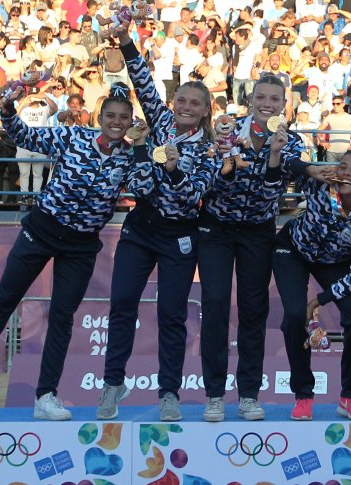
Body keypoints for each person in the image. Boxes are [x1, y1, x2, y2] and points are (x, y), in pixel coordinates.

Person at [0, 83, 138, 419]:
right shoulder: (74, 137)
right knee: (4, 301)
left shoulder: (130, 156)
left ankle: (46, 395)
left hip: (81, 246)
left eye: (124, 117)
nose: (117, 121)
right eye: (111, 115)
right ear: (100, 116)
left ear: (131, 121)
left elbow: (148, 182)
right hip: (42, 231)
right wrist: (8, 108)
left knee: (62, 318)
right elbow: (24, 136)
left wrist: (145, 144)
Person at [96, 27, 220, 422]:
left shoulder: (211, 150)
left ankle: (169, 393)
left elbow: (194, 193)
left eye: (194, 103)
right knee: (122, 305)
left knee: (171, 313)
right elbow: (142, 80)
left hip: (180, 235)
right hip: (140, 228)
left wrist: (174, 170)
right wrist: (127, 42)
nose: (185, 106)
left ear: (205, 111)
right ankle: (113, 383)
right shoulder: (161, 119)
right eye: (181, 99)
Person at [198, 74, 323, 422]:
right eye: (261, 97)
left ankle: (249, 394)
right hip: (216, 229)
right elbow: (212, 183)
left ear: (284, 104)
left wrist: (275, 155)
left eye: (274, 99)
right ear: (250, 100)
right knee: (216, 305)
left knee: (254, 311)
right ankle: (214, 396)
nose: (267, 103)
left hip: (258, 232)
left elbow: (273, 193)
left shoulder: (290, 141)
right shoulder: (226, 130)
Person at [274, 150, 351, 421]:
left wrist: (320, 299)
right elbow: (284, 163)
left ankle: (350, 397)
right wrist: (308, 168)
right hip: (293, 250)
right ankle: (303, 395)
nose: (346, 172)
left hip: (334, 263)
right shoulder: (320, 185)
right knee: (294, 316)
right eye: (343, 166)